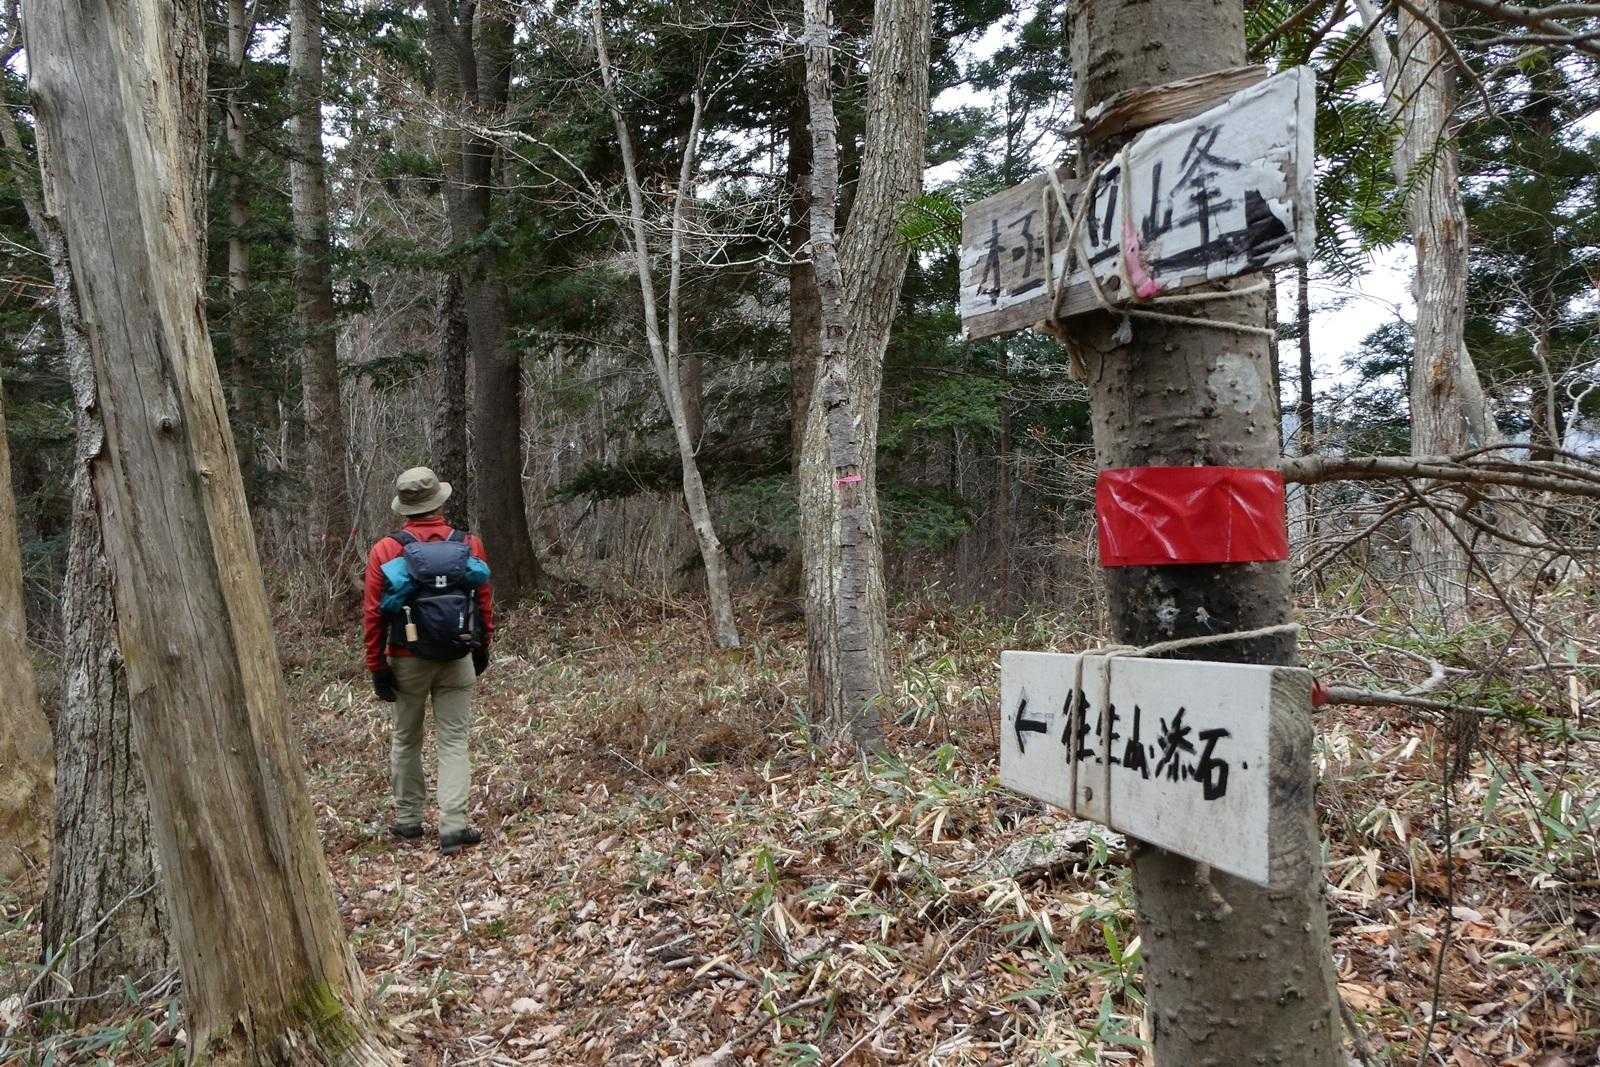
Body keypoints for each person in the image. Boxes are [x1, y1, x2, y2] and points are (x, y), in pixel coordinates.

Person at [363, 467, 493, 855]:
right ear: (439, 501)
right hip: (457, 655)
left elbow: (373, 614)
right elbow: (483, 602)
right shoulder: (468, 544)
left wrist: (377, 665)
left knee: (406, 739)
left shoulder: (386, 550)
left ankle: (408, 822)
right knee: (453, 741)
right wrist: (482, 647)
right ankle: (453, 827)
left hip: (407, 658)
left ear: (404, 506)